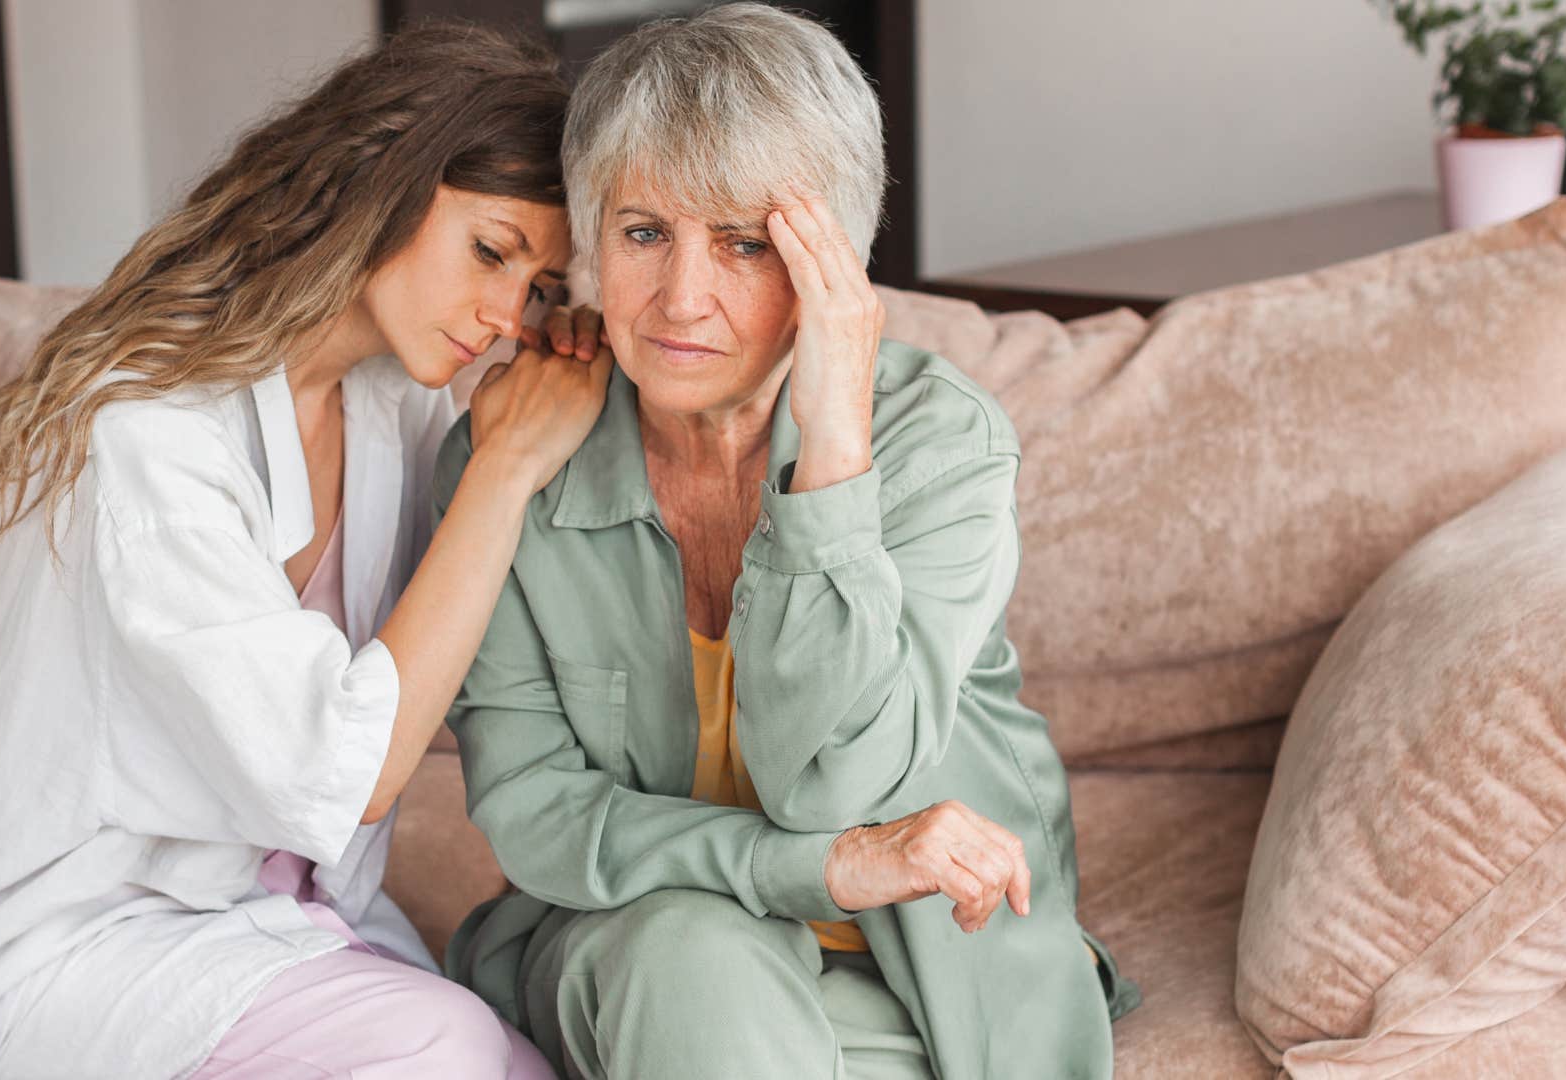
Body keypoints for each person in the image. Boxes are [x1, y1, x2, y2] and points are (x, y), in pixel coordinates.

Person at [0, 24, 608, 1080]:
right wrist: (504, 471)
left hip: (272, 916)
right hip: (71, 942)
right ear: (380, 184)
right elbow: (347, 768)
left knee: (534, 1060)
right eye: (491, 251)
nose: (508, 317)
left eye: (539, 287)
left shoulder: (392, 406)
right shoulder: (142, 432)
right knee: (441, 1050)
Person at [436, 6, 1140, 1078]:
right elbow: (535, 809)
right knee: (690, 953)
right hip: (641, 937)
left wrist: (835, 454)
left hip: (924, 979)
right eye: (642, 233)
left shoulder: (938, 451)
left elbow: (833, 783)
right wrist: (825, 869)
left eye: (746, 243)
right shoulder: (519, 453)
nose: (681, 299)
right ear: (589, 241)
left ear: (833, 267)